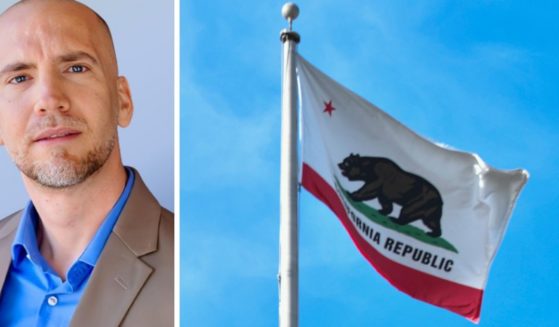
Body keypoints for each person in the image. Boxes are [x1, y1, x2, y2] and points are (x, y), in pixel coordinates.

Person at [0, 0, 174, 326]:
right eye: (20, 78)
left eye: (76, 68)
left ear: (122, 100)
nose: (49, 99)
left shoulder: (199, 268)